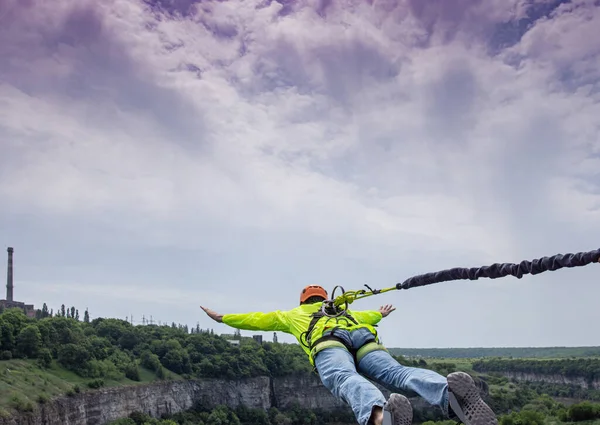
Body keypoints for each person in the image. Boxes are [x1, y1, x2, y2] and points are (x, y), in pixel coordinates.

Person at [201, 285, 498, 425]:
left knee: (344, 377)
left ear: (304, 300)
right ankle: (450, 393)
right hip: (364, 338)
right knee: (398, 373)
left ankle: (382, 416)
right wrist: (380, 314)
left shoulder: (292, 314)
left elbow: (255, 319)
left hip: (329, 344)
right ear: (325, 299)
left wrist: (223, 317)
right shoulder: (346, 311)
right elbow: (372, 315)